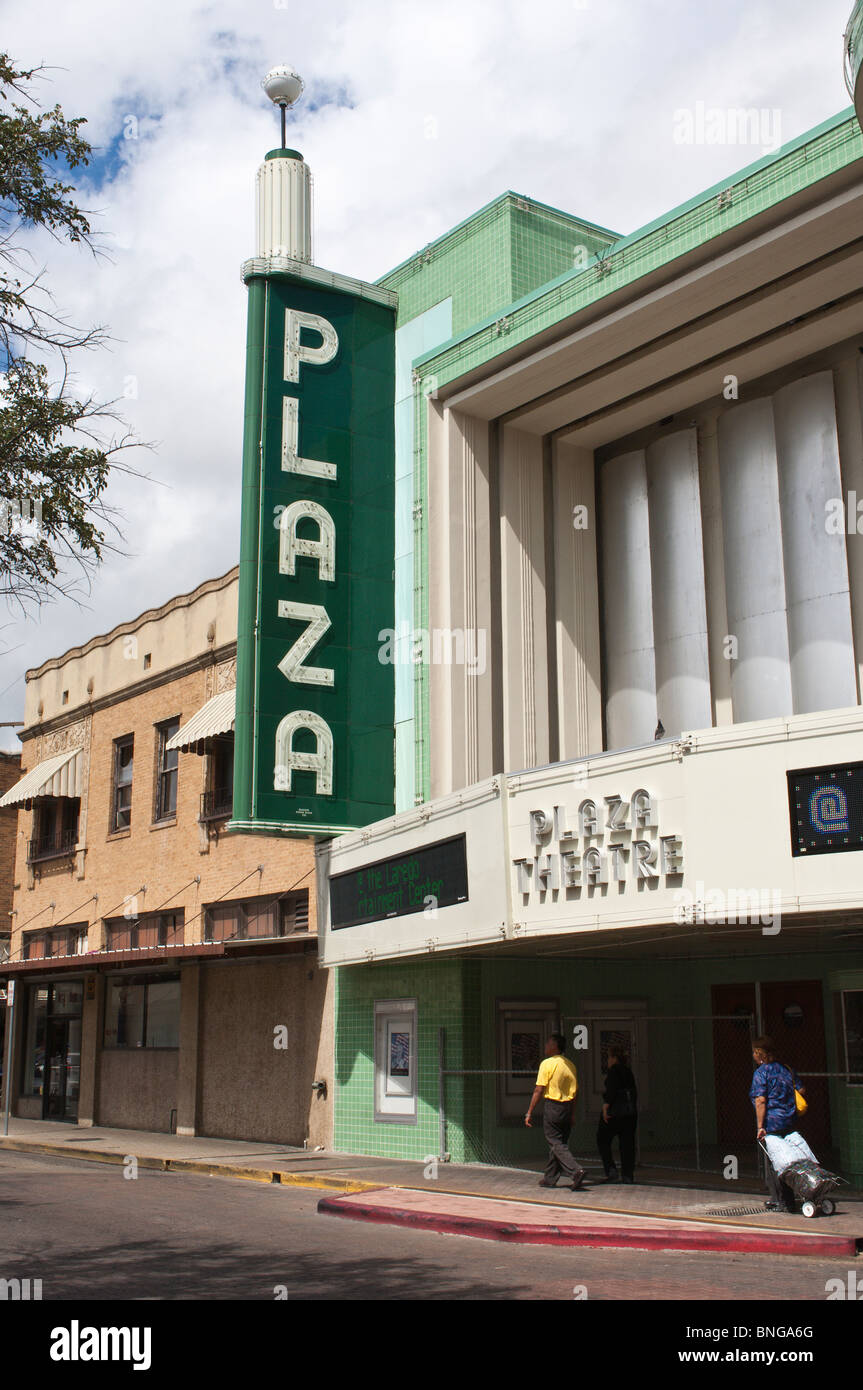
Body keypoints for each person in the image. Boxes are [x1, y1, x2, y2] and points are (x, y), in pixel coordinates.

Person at [749, 1035, 806, 1213]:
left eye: (754, 1052)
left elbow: (760, 1100)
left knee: (775, 1162)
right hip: (789, 1120)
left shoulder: (761, 1073)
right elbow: (801, 1089)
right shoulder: (786, 1069)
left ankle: (782, 1200)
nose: (753, 1055)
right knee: (791, 1157)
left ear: (760, 1053)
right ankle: (791, 1195)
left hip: (771, 1123)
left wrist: (760, 1126)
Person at [525, 1032, 586, 1190]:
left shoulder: (547, 1064)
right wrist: (573, 1113)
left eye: (548, 1043)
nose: (545, 1046)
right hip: (567, 1106)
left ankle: (576, 1171)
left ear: (555, 1046)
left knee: (555, 1142)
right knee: (559, 1143)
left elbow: (539, 1089)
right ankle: (550, 1178)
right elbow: (576, 1092)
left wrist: (529, 1111)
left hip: (553, 1106)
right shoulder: (570, 1065)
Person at [596, 1043, 638, 1184]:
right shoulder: (628, 1072)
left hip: (615, 1113)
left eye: (609, 1057)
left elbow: (611, 1091)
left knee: (602, 1139)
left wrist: (606, 1107)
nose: (608, 1061)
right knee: (627, 1144)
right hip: (629, 1113)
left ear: (614, 1058)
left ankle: (611, 1170)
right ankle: (628, 1174)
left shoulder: (613, 1071)